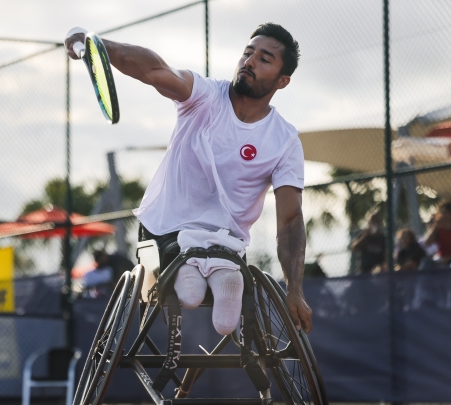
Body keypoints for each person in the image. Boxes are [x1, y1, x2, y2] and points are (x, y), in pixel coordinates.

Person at [65, 22, 312, 335]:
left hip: (225, 245)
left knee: (228, 313)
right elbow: (155, 70)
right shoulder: (205, 96)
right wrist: (99, 46)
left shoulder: (285, 141)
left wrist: (294, 290)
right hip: (164, 231)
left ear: (282, 80)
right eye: (248, 53)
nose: (249, 61)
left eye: (264, 59)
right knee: (191, 294)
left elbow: (290, 221)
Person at [424, 200, 451, 266]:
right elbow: (427, 243)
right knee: (426, 262)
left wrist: (447, 259)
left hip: (448, 260)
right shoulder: (438, 228)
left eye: (444, 212)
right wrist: (435, 225)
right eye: (440, 213)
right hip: (441, 258)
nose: (441, 215)